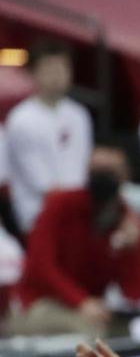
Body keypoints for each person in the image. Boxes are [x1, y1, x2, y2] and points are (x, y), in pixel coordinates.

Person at [7, 147, 140, 338]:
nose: (101, 179)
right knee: (93, 333)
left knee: (137, 331)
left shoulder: (129, 221)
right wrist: (81, 301)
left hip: (92, 307)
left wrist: (133, 250)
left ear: (125, 176)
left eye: (109, 173)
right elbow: (41, 265)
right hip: (40, 302)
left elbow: (136, 293)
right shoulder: (60, 205)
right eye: (95, 172)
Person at [2, 39, 92, 235]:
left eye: (63, 68)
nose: (57, 75)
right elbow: (40, 183)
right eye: (50, 69)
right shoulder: (21, 120)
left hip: (77, 207)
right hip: (38, 213)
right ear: (33, 74)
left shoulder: (79, 115)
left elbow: (81, 168)